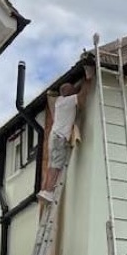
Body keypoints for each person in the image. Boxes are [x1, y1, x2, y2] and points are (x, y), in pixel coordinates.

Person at [37, 60, 95, 203]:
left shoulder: (59, 101)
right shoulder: (69, 101)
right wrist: (89, 78)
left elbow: (76, 90)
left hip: (54, 137)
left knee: (52, 164)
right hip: (60, 138)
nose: (74, 89)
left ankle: (45, 190)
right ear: (68, 92)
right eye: (72, 89)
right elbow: (82, 96)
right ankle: (49, 192)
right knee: (56, 166)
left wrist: (80, 84)